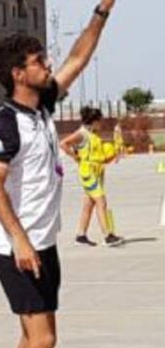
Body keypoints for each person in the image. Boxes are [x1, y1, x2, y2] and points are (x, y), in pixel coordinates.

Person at [0, 0, 120, 348]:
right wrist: (20, 241)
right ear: (19, 73)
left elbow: (80, 58)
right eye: (38, 61)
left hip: (43, 243)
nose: (47, 65)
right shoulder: (6, 125)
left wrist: (101, 10)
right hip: (17, 250)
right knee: (42, 338)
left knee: (37, 338)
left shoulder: (42, 105)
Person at [62, 106, 123, 248]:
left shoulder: (93, 134)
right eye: (99, 120)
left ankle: (81, 235)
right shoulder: (82, 133)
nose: (101, 123)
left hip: (97, 171)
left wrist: (117, 139)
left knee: (88, 205)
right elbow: (64, 143)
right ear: (93, 121)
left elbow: (102, 156)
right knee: (101, 201)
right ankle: (107, 235)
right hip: (88, 172)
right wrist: (75, 157)